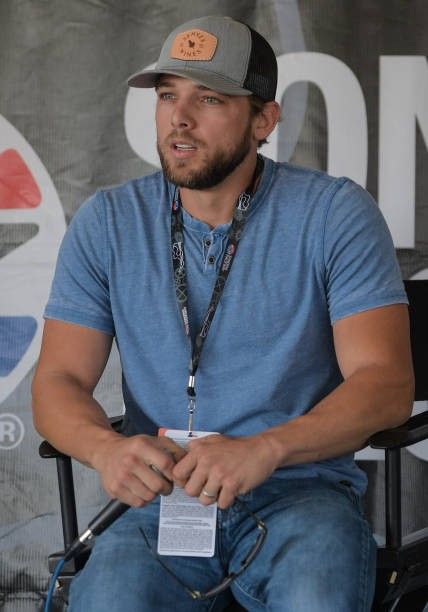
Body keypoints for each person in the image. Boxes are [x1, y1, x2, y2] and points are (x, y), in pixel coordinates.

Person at [32, 15, 414, 612]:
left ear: (264, 119)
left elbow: (386, 385)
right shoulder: (109, 221)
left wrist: (266, 447)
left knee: (315, 597)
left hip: (300, 493)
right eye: (167, 97)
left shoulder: (334, 213)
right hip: (166, 501)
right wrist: (106, 451)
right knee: (110, 599)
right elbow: (59, 382)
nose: (178, 119)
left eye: (208, 99)